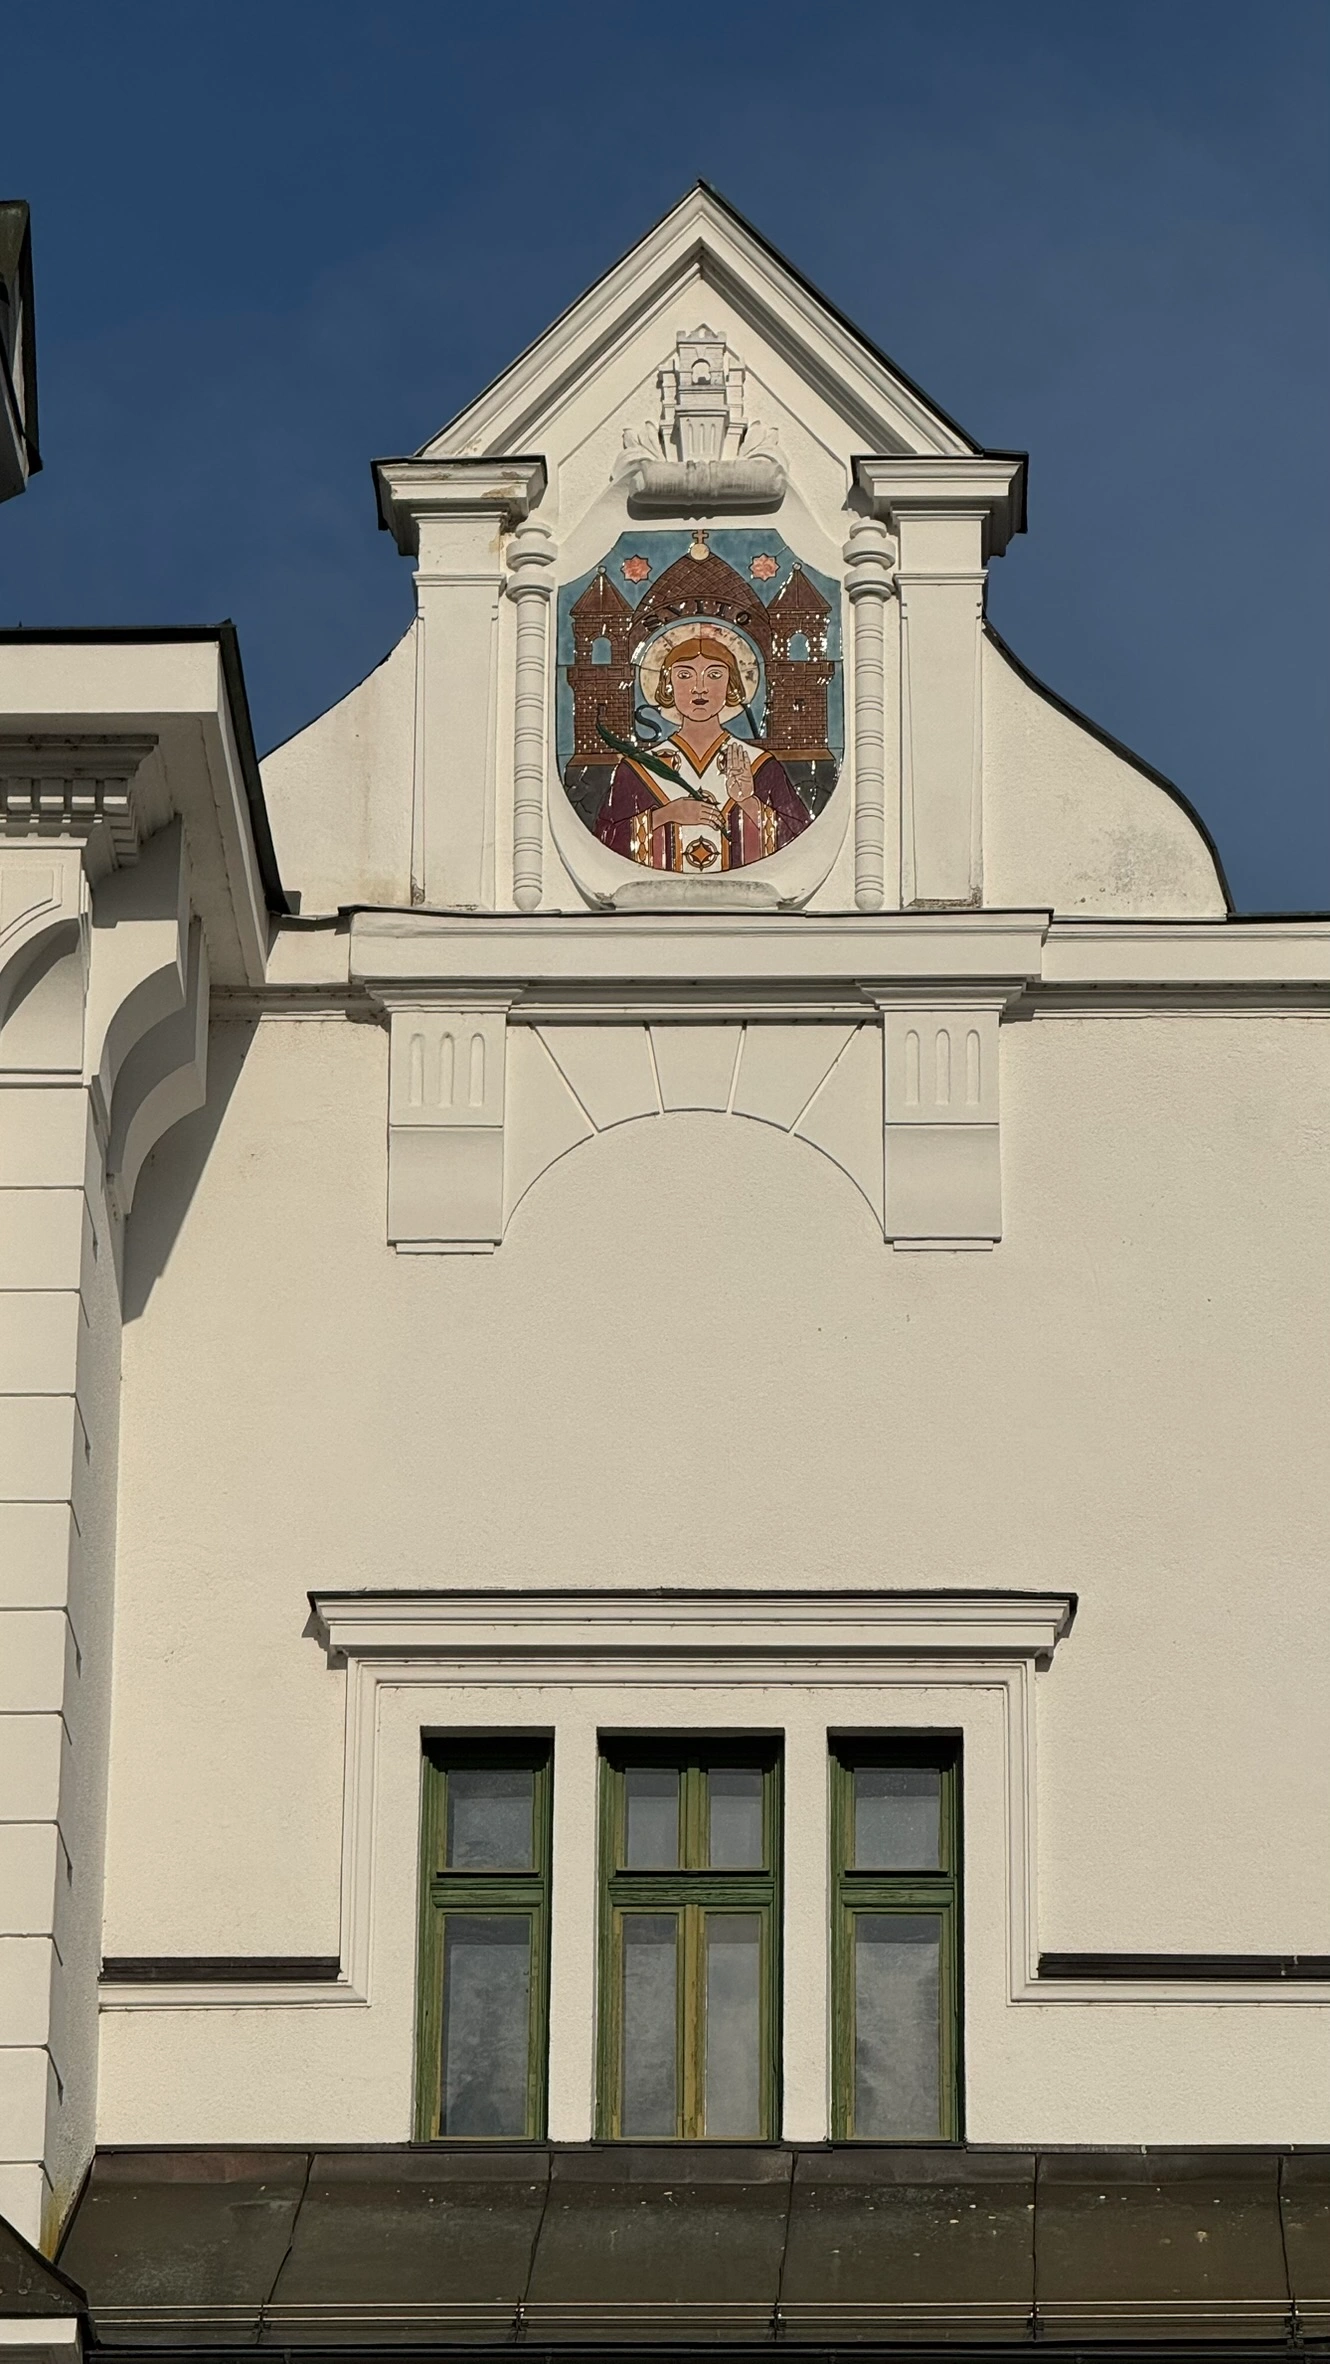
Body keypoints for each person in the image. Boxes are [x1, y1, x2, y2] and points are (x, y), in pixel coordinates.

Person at [594, 625, 809, 872]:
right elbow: (603, 842)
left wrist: (749, 802)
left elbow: (800, 841)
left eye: (714, 675)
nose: (700, 688)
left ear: (732, 685)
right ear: (667, 685)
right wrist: (666, 815)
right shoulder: (637, 769)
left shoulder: (761, 765)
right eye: (684, 675)